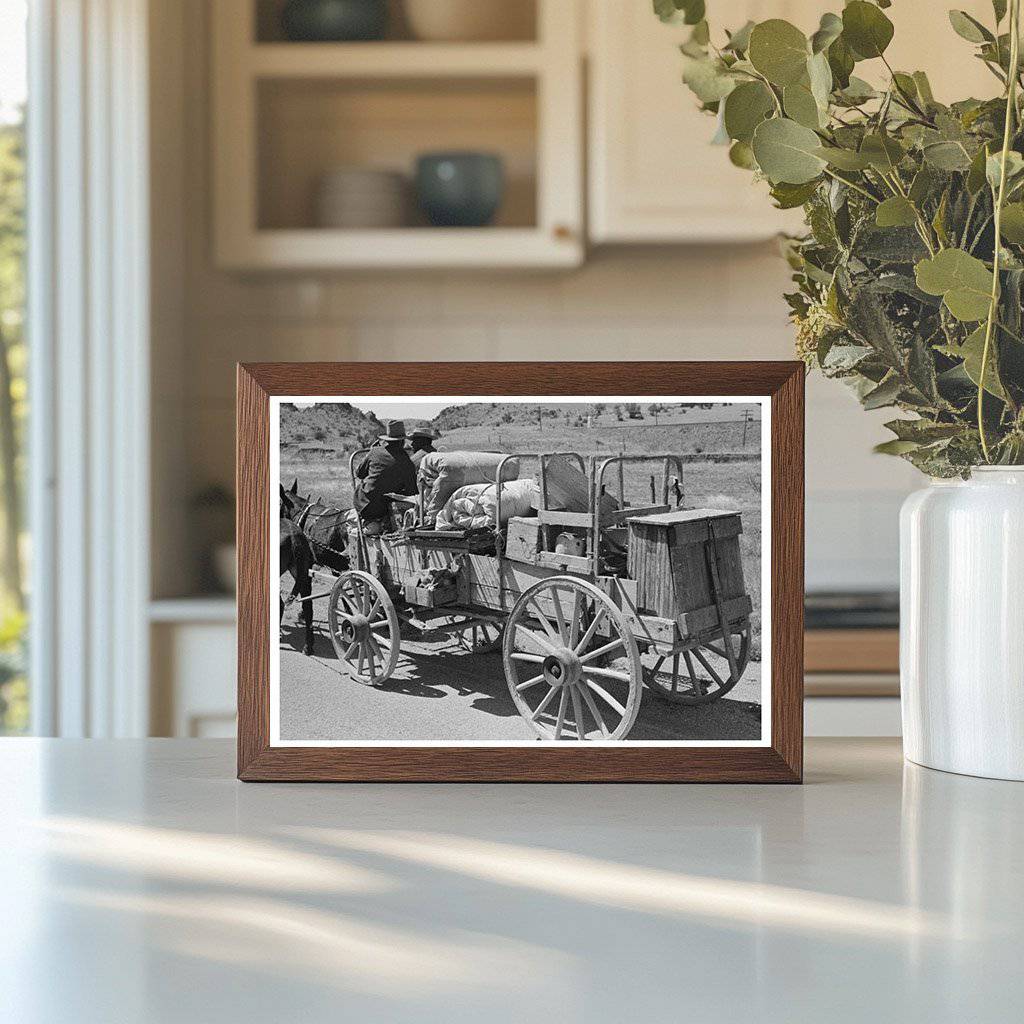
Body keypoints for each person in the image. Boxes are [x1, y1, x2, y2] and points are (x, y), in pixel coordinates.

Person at [354, 420, 417, 528]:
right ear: (402, 441)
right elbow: (412, 491)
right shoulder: (407, 462)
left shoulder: (375, 451)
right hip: (385, 508)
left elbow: (359, 473)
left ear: (387, 440)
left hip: (363, 504)